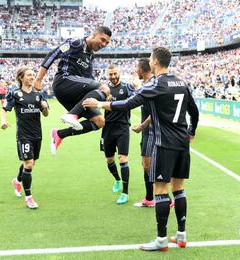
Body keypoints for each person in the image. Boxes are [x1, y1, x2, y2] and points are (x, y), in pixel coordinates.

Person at [83, 47, 199, 252]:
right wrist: (192, 130)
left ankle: (161, 240)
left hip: (164, 143)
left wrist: (99, 103)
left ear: (154, 61)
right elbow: (194, 111)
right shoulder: (181, 82)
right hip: (182, 142)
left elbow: (128, 103)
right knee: (179, 189)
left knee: (161, 190)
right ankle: (181, 235)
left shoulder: (156, 83)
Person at [33, 26, 112, 155]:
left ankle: (59, 134)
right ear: (94, 34)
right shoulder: (76, 43)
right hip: (63, 82)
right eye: (102, 40)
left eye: (107, 43)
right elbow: (53, 54)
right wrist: (39, 79)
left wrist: (102, 97)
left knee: (99, 121)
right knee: (104, 88)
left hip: (74, 93)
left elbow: (88, 79)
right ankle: (72, 115)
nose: (104, 44)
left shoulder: (90, 56)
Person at [0, 67, 49, 209]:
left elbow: (45, 114)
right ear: (21, 78)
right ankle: (29, 198)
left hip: (37, 134)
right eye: (29, 75)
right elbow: (4, 109)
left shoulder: (38, 94)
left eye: (33, 74)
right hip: (23, 135)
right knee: (28, 164)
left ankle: (17, 180)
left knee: (31, 163)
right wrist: (3, 121)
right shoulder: (15, 94)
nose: (32, 77)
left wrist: (44, 107)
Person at [101, 64, 136, 204]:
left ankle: (125, 193)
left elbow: (134, 100)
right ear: (107, 75)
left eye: (115, 73)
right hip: (107, 128)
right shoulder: (103, 90)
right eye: (111, 74)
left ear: (119, 73)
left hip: (122, 127)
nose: (113, 77)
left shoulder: (127, 87)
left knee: (123, 159)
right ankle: (117, 179)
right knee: (109, 159)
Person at [131, 58, 156, 208]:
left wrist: (141, 126)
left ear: (141, 69)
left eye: (137, 68)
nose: (136, 71)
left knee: (149, 166)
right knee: (146, 165)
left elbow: (156, 112)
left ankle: (162, 197)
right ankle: (150, 198)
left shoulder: (152, 85)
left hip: (151, 132)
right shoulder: (148, 85)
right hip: (147, 132)